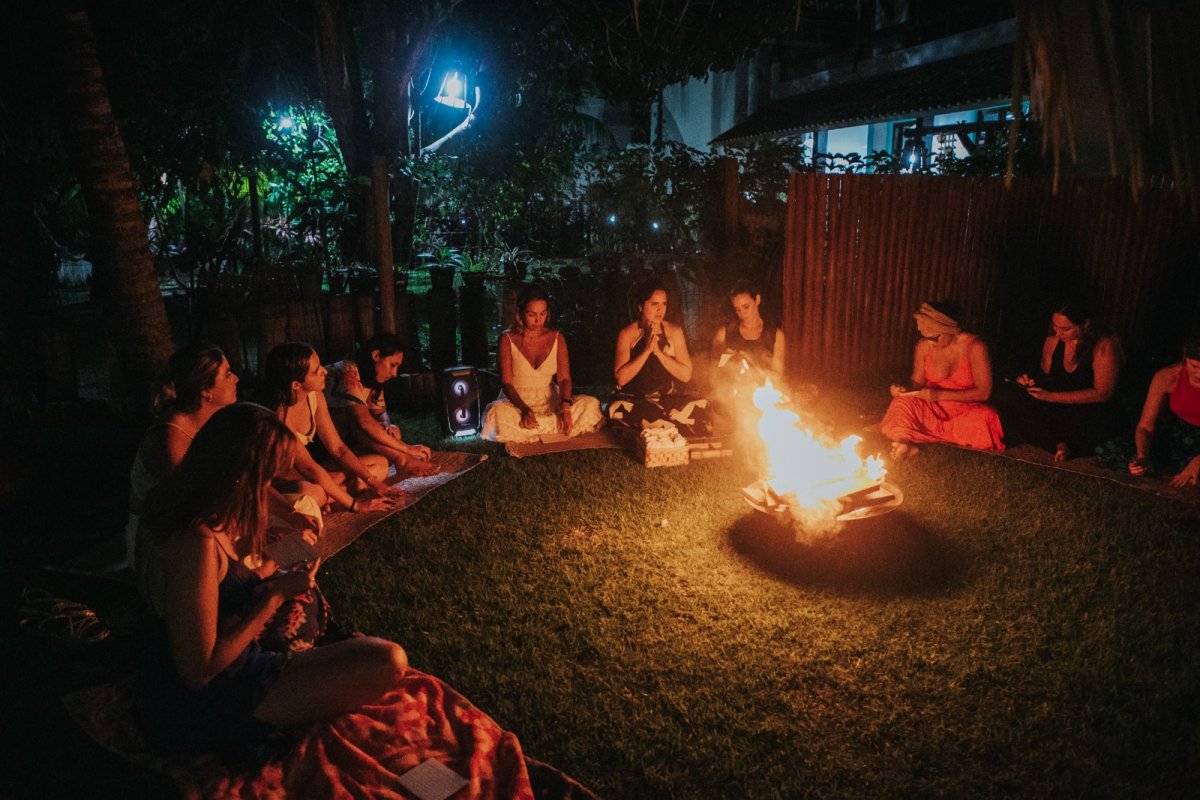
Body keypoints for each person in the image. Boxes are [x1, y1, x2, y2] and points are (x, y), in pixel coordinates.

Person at [134, 403, 408, 761]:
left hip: (208, 658)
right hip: (209, 699)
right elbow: (199, 671)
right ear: (241, 475)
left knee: (305, 602)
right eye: (266, 478)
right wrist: (274, 596)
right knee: (387, 660)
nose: (268, 488)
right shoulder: (194, 543)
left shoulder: (171, 504)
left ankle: (296, 654)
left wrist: (276, 566)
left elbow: (216, 592)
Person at [125, 344, 239, 569]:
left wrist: (286, 512)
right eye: (227, 374)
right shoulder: (168, 437)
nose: (235, 378)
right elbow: (193, 501)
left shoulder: (215, 422)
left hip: (202, 522)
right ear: (206, 390)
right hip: (160, 540)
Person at [261, 342, 400, 513]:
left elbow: (338, 449)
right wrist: (354, 505)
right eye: (316, 370)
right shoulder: (280, 414)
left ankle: (330, 495)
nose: (324, 371)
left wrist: (373, 482)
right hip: (281, 480)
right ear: (296, 384)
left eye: (320, 365)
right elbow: (308, 467)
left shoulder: (315, 395)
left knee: (380, 465)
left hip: (314, 472)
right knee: (312, 492)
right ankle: (330, 496)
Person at [993, 302, 1122, 461]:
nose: (1058, 333)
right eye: (1055, 326)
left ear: (1085, 324)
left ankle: (1061, 443)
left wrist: (1051, 397)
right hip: (1054, 406)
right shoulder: (1052, 342)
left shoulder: (1103, 346)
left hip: (1086, 409)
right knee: (1007, 393)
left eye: (1065, 329)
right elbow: (1045, 378)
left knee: (1062, 421)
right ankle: (1060, 443)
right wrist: (1027, 382)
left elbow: (1103, 394)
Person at [881, 301, 1004, 459]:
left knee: (987, 417)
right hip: (931, 407)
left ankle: (920, 433)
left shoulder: (975, 347)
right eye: (926, 338)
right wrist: (904, 390)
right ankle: (904, 442)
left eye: (934, 338)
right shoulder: (925, 346)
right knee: (901, 404)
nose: (930, 343)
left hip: (964, 409)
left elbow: (984, 393)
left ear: (949, 330)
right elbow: (916, 382)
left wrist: (939, 395)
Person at [481, 284, 603, 442]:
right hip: (517, 402)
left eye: (542, 314)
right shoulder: (507, 339)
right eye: (532, 314)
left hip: (550, 399)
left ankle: (541, 427)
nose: (538, 320)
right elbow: (506, 383)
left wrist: (565, 408)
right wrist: (524, 409)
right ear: (521, 313)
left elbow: (564, 379)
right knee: (497, 412)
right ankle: (545, 426)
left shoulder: (557, 338)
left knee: (590, 403)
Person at [324, 333, 440, 476]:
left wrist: (385, 424)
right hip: (326, 446)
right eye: (392, 365)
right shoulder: (348, 372)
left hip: (347, 441)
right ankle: (402, 460)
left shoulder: (371, 377)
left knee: (393, 433)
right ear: (376, 355)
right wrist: (407, 449)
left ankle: (354, 477)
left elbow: (380, 413)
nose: (394, 373)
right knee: (360, 424)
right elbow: (363, 423)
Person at [609, 279, 712, 437]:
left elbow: (686, 375)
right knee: (617, 409)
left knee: (701, 406)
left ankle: (657, 424)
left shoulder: (673, 332)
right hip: (636, 399)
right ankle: (662, 424)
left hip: (666, 398)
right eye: (654, 304)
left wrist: (658, 353)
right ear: (641, 306)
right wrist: (646, 351)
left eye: (664, 304)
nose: (660, 310)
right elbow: (621, 379)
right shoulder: (627, 334)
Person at [1098, 331, 1200, 486]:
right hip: (1178, 436)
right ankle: (1169, 471)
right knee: (1108, 451)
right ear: (1185, 359)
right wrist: (1142, 456)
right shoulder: (1169, 376)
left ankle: (1182, 473)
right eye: (1195, 366)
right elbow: (1145, 426)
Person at [711, 280, 786, 383]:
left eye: (746, 307)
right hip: (731, 395)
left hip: (762, 395)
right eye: (737, 309)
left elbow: (777, 377)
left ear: (757, 300)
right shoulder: (724, 333)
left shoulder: (775, 335)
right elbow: (713, 373)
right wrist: (728, 364)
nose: (742, 313)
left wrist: (752, 366)